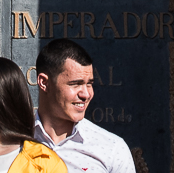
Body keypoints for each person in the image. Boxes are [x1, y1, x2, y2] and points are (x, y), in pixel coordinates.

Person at [32, 40, 135, 173]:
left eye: (89, 84)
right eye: (75, 84)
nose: (86, 94)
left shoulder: (113, 149)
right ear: (44, 83)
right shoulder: (11, 141)